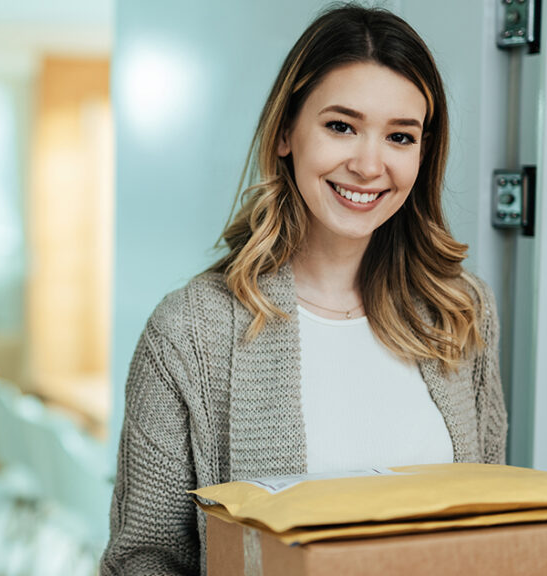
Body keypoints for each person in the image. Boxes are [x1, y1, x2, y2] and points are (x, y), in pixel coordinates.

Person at [100, 4, 508, 575]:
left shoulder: (460, 311)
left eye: (399, 136)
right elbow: (144, 560)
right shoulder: (190, 333)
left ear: (423, 153)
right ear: (287, 131)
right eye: (341, 126)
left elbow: (494, 531)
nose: (370, 165)